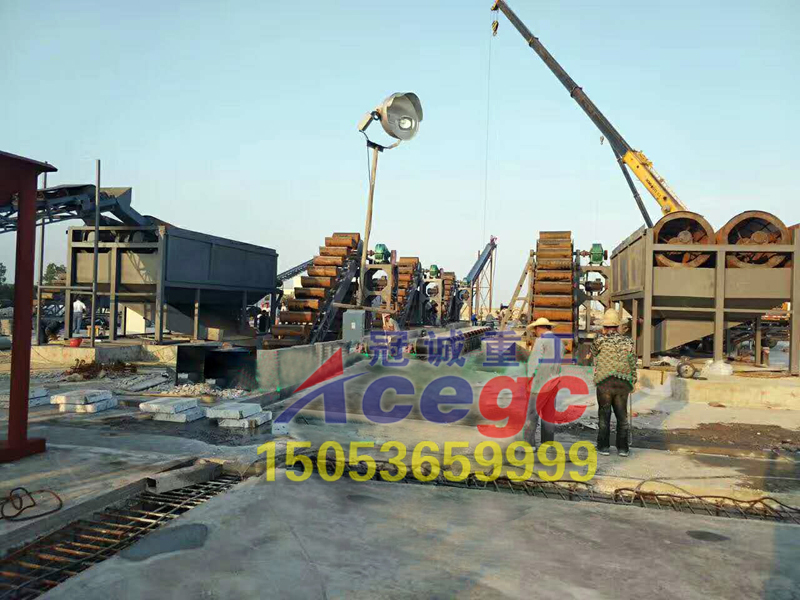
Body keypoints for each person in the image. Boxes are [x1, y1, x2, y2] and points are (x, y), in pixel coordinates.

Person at [589, 308, 637, 457]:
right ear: (617, 326)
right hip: (623, 382)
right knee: (622, 416)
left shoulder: (599, 340)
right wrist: (633, 380)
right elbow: (632, 361)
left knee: (604, 415)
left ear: (604, 327)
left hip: (605, 382)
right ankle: (623, 448)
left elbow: (594, 353)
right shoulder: (628, 341)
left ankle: (603, 447)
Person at [523, 317, 561, 449]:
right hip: (554, 382)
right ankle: (547, 444)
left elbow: (534, 363)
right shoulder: (558, 341)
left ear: (539, 328)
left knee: (531, 414)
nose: (535, 332)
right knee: (548, 415)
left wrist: (528, 379)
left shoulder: (541, 341)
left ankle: (529, 444)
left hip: (540, 384)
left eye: (535, 329)